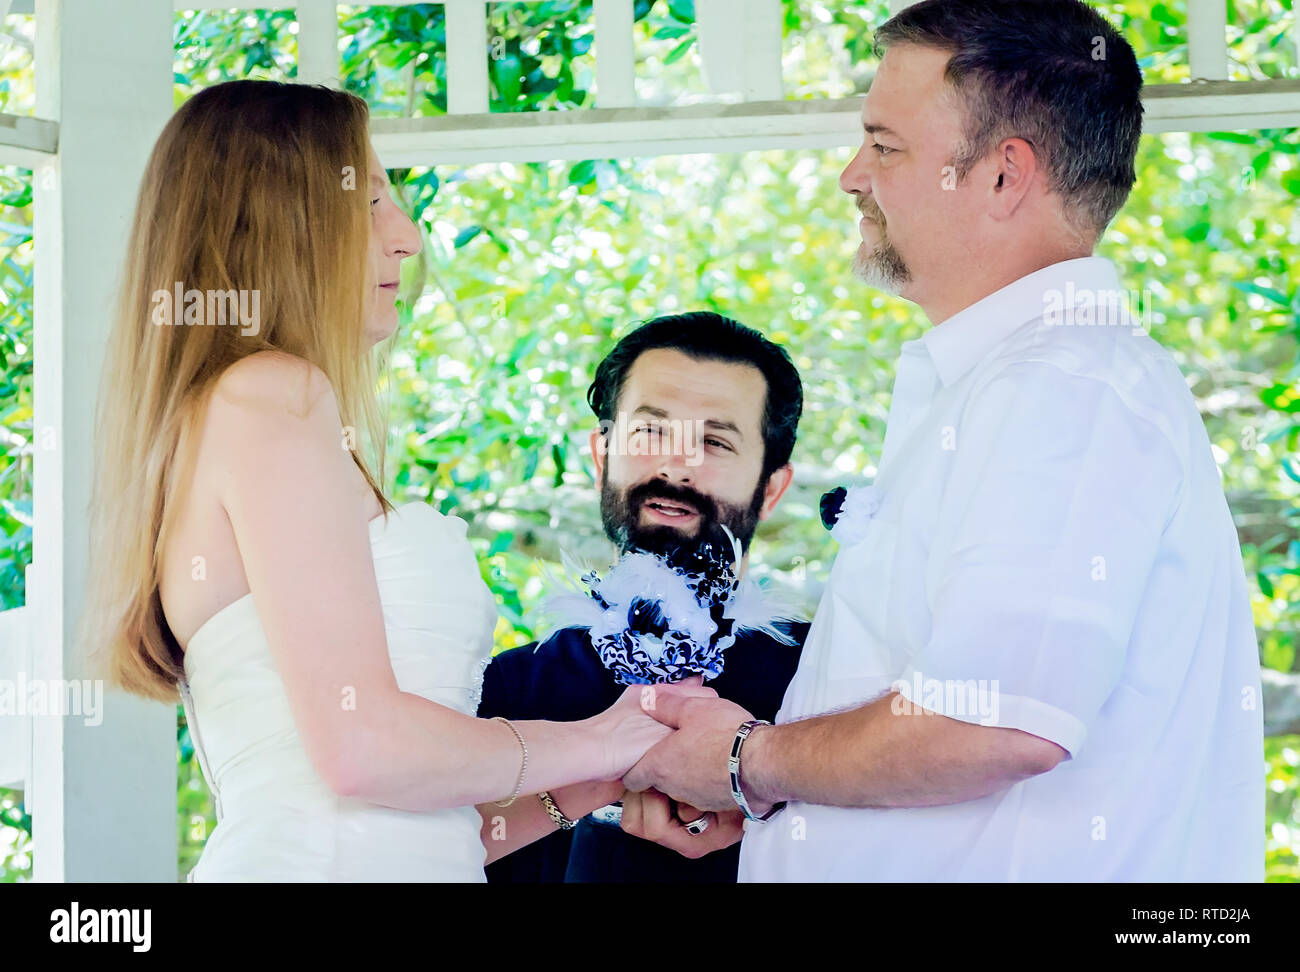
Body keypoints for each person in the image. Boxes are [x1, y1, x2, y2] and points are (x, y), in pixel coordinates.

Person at [620, 0, 1265, 881]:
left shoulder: (1060, 387)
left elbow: (995, 721)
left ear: (1003, 177)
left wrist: (743, 764)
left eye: (885, 146)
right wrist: (790, 811)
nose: (853, 175)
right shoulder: (1017, 386)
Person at [84, 79, 709, 882]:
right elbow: (362, 749)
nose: (406, 238)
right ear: (278, 220)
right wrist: (599, 737)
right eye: (371, 200)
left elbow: (416, 832)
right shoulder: (271, 392)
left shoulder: (253, 413)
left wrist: (592, 782)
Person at [478, 312, 809, 882]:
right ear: (602, 454)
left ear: (772, 487)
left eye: (714, 441)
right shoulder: (509, 687)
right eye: (651, 431)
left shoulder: (826, 682)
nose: (676, 464)